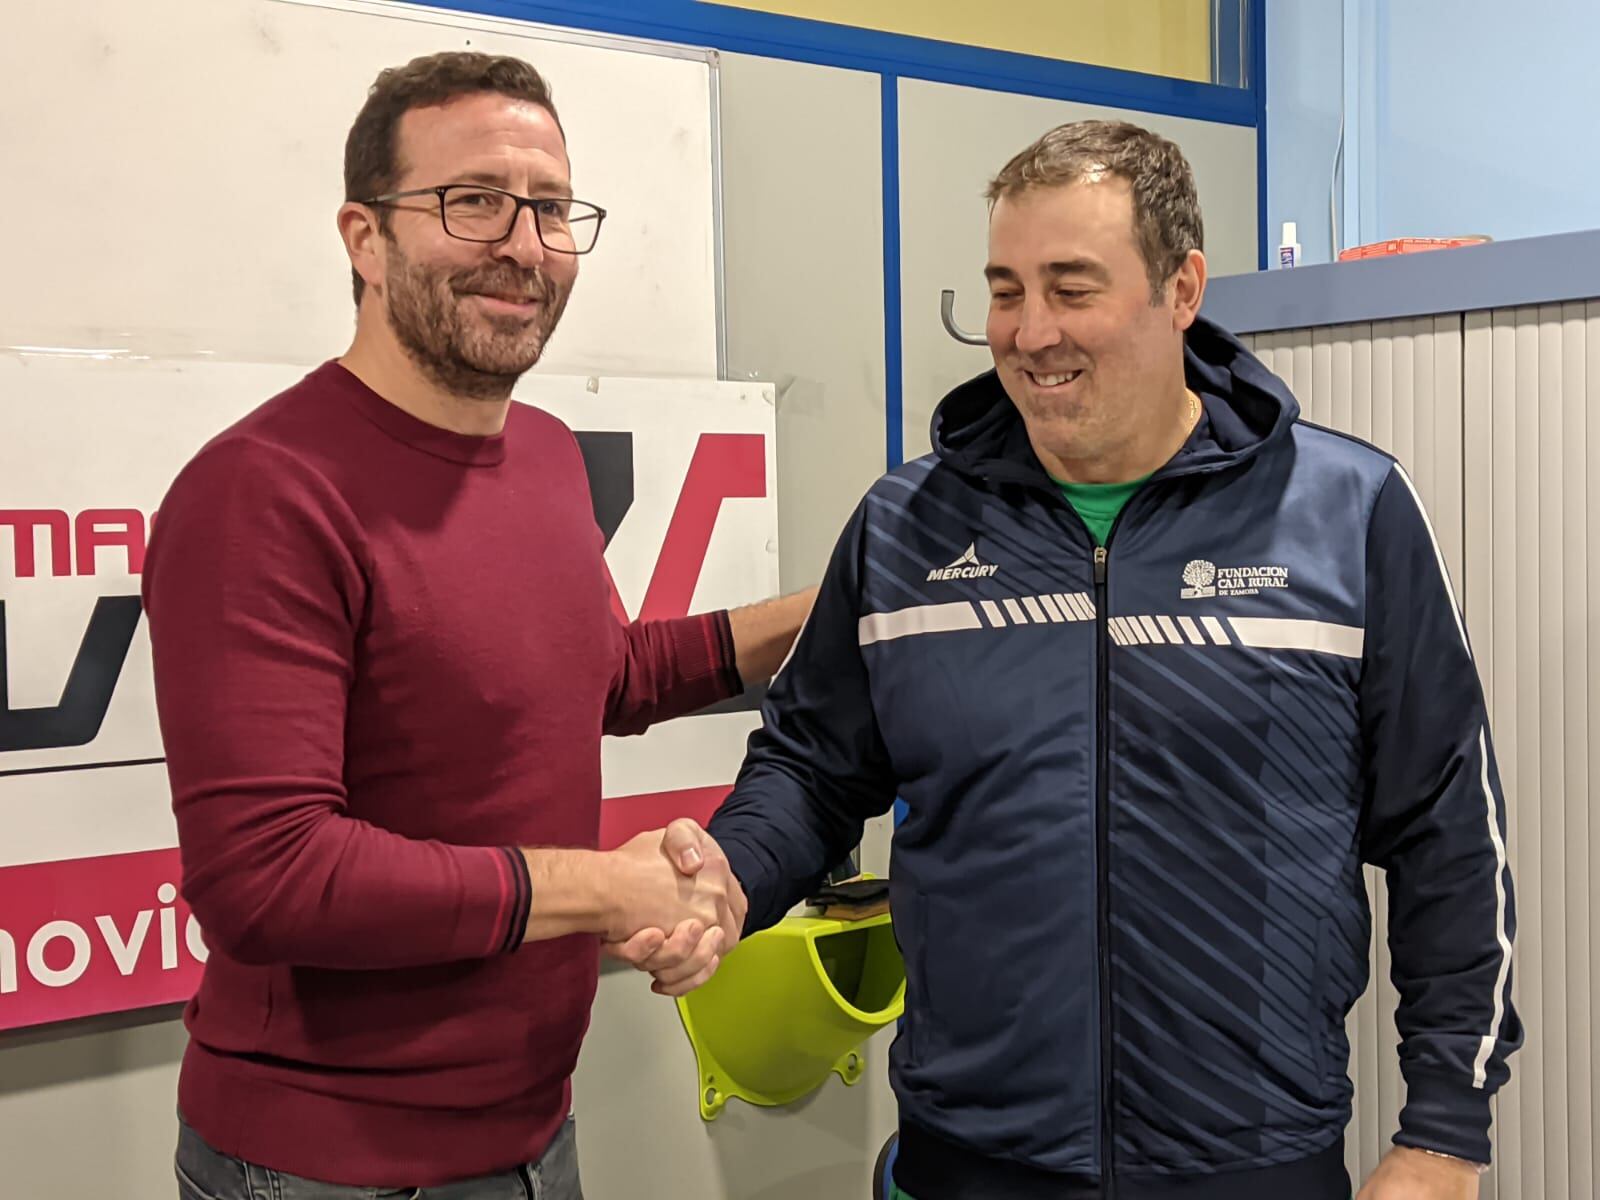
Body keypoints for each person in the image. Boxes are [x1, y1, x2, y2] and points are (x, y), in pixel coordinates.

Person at [665, 121, 1522, 1200]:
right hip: (968, 1160)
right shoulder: (904, 528)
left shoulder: (1346, 514)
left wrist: (1444, 1133)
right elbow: (811, 768)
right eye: (1004, 290)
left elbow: (1449, 833)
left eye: (1070, 288)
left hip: (1250, 1161)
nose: (1028, 333)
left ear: (1181, 288)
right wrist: (732, 875)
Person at [144, 51, 809, 1200]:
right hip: (324, 1169)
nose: (524, 245)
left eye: (551, 209)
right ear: (364, 238)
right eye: (475, 201)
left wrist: (840, 601)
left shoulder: (544, 453)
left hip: (530, 1141)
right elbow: (267, 876)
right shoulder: (262, 489)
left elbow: (599, 678)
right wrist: (611, 888)